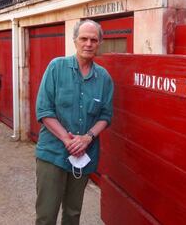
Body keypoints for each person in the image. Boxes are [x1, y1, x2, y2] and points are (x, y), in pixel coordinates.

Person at [35, 19, 113, 225]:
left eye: (93, 40)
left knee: (73, 213)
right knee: (46, 214)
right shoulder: (56, 67)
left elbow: (105, 116)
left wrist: (87, 138)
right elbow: (44, 110)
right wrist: (67, 140)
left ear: (99, 43)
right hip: (52, 154)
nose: (88, 44)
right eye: (84, 39)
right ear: (75, 41)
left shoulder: (103, 78)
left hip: (84, 155)